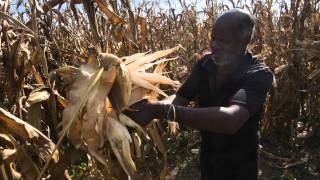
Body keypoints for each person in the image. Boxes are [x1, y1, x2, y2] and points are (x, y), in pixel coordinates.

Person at [125, 8, 273, 180]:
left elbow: (231, 120)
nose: (214, 46)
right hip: (209, 159)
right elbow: (180, 99)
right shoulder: (205, 64)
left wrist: (158, 110)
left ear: (244, 40)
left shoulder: (258, 74)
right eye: (213, 39)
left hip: (240, 165)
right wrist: (146, 106)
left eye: (224, 41)